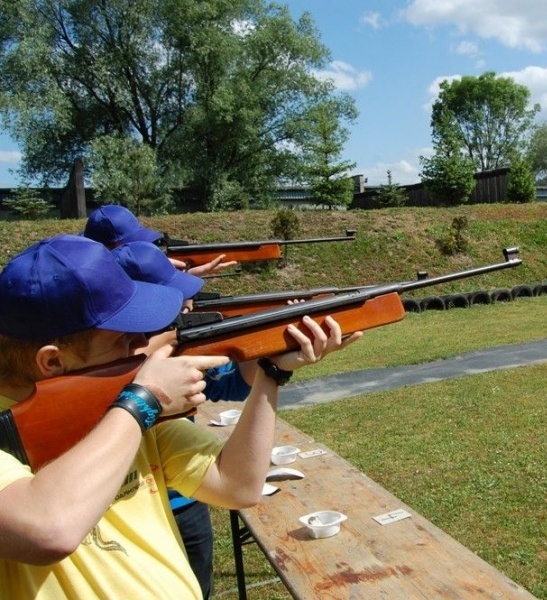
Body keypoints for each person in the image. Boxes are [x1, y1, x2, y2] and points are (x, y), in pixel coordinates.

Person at [0, 235, 361, 599]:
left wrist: (271, 373)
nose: (143, 347)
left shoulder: (122, 411)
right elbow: (50, 530)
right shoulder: (128, 409)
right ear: (52, 361)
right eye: (124, 341)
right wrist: (144, 399)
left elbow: (237, 484)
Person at [112, 240, 255, 598]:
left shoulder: (173, 350)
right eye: (174, 297)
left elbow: (231, 386)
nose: (188, 305)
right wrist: (147, 397)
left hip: (188, 493)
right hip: (145, 504)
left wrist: (271, 363)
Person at [83, 204, 238, 277]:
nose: (141, 247)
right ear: (110, 246)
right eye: (131, 243)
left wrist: (187, 273)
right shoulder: (87, 275)